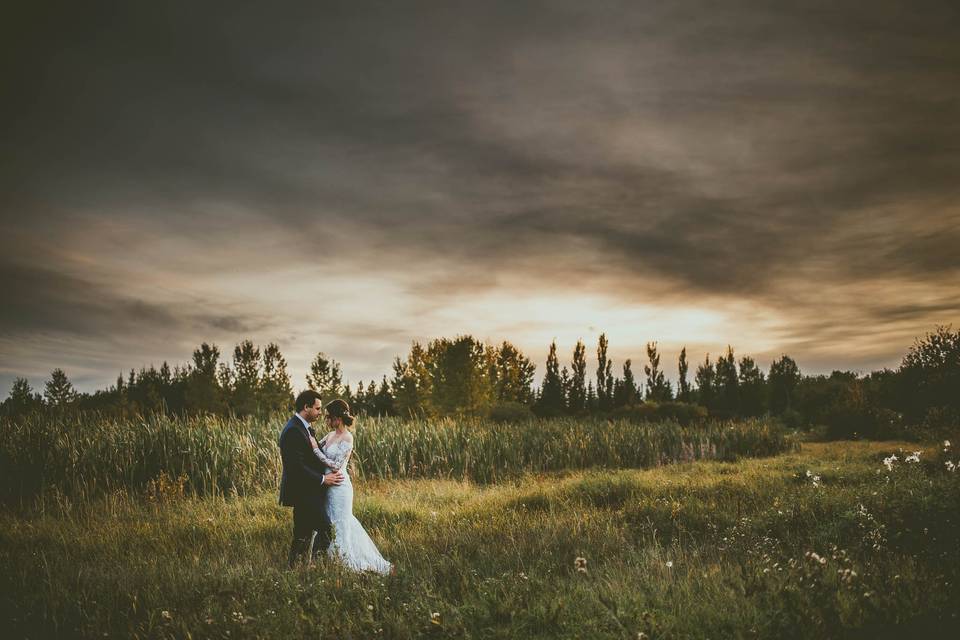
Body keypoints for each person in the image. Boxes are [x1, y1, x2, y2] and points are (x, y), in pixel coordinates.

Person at [310, 398, 394, 575]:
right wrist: (313, 443)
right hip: (327, 485)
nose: (326, 420)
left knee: (341, 522)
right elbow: (317, 446)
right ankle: (331, 559)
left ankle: (346, 561)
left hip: (340, 487)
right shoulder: (330, 435)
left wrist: (316, 450)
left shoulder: (348, 437)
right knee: (330, 521)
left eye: (329, 417)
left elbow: (336, 465)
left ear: (337, 418)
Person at [278, 389, 345, 568]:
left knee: (303, 532)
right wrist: (324, 479)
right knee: (325, 529)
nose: (320, 412)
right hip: (303, 491)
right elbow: (296, 467)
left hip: (309, 490)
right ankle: (314, 565)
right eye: (317, 408)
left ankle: (296, 567)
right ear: (306, 407)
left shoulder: (303, 427)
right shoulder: (293, 430)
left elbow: (313, 456)